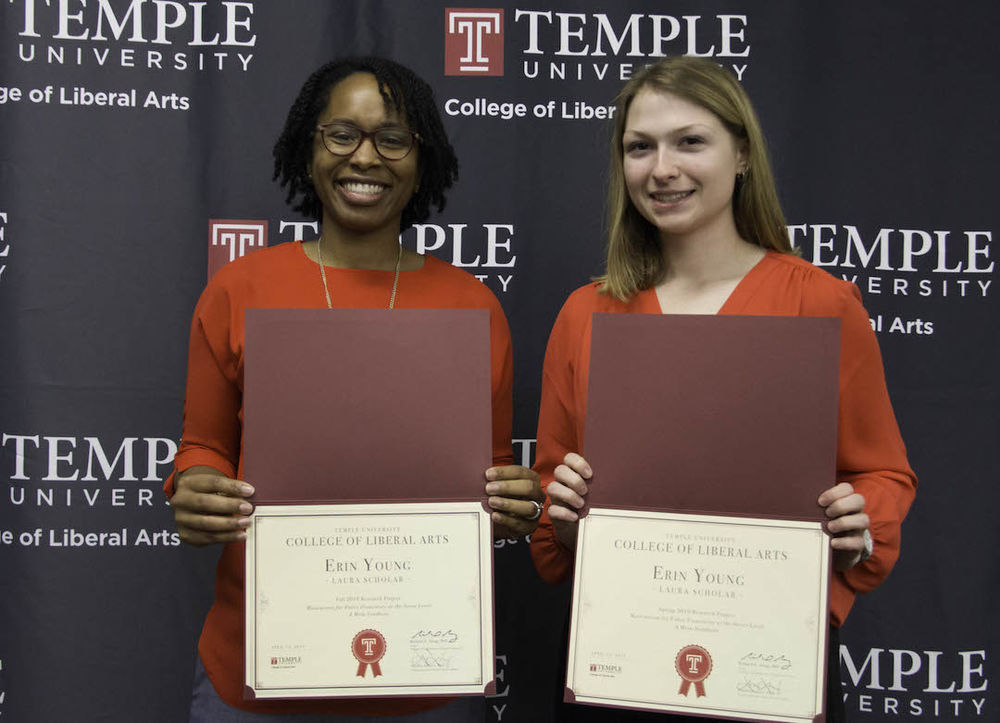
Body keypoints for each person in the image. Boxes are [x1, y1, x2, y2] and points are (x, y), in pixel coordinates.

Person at [529, 57, 917, 722]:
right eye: (639, 147)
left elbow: (882, 471)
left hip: (770, 660)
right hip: (618, 664)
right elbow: (550, 490)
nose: (662, 169)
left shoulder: (821, 304)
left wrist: (859, 524)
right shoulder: (585, 313)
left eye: (690, 141)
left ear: (741, 153)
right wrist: (561, 517)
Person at [165, 56, 543, 721]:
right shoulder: (240, 289)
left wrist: (512, 501)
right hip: (258, 674)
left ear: (420, 161)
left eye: (392, 138)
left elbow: (491, 479)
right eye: (342, 134)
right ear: (308, 152)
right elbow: (204, 445)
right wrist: (196, 486)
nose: (365, 157)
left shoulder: (472, 306)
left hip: (427, 684)